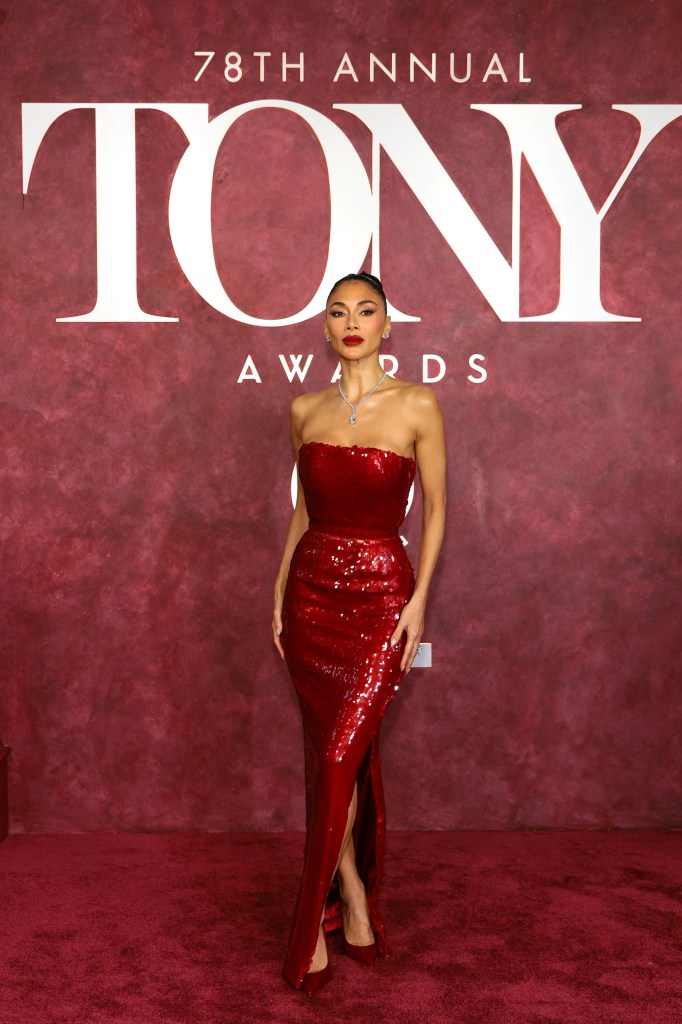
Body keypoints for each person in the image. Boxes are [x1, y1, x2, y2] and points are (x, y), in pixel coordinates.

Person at [272, 272, 446, 994]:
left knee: (342, 755)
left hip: (380, 597)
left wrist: (419, 603)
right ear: (324, 327)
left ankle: (319, 911)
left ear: (387, 327)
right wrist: (280, 590)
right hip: (312, 595)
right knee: (330, 758)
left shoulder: (417, 403)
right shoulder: (304, 409)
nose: (352, 322)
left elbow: (435, 511)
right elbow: (303, 514)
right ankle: (350, 894)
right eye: (338, 311)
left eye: (365, 311)